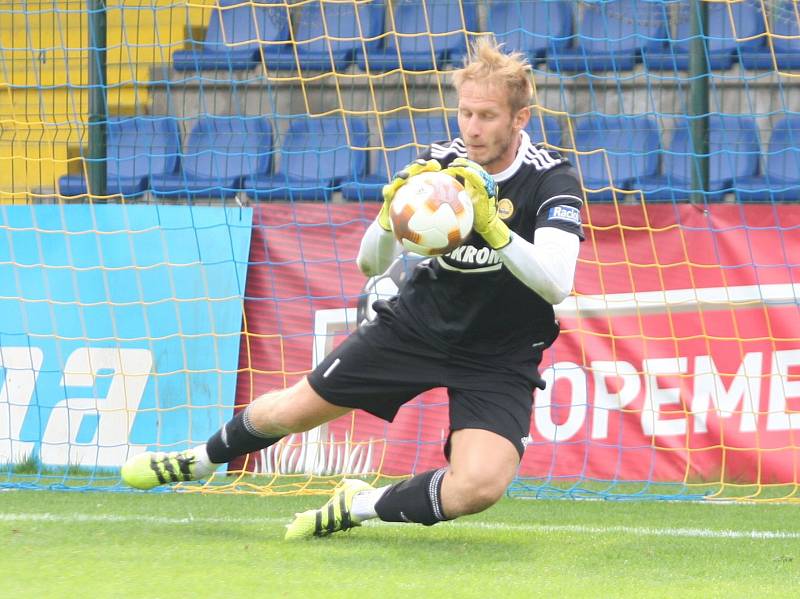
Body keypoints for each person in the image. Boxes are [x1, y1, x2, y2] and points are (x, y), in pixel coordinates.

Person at [121, 37, 585, 540]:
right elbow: (371, 264)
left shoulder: (551, 180)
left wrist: (494, 228)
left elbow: (556, 284)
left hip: (499, 353)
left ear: (520, 119)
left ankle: (359, 504)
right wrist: (387, 219)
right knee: (292, 410)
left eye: (488, 116)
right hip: (418, 328)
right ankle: (199, 460)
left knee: (478, 487)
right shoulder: (438, 168)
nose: (472, 129)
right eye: (465, 113)